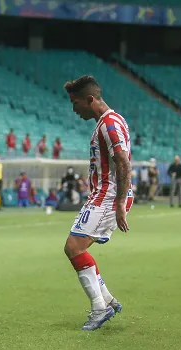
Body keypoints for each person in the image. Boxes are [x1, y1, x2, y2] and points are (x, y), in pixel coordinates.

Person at [63, 75, 133, 331]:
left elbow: (123, 163)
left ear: (90, 99)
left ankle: (99, 307)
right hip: (102, 194)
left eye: (75, 102)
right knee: (75, 247)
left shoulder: (110, 124)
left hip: (108, 195)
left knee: (74, 247)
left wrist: (120, 202)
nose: (74, 109)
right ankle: (107, 301)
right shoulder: (108, 121)